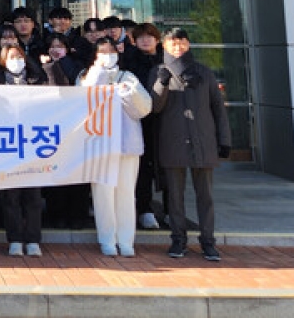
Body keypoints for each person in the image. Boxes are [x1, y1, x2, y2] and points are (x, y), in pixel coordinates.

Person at [150, 28, 231, 262]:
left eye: (182, 42)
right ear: (164, 46)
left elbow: (217, 108)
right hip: (172, 141)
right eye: (173, 43)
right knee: (174, 196)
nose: (178, 47)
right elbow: (154, 107)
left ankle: (208, 242)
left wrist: (224, 140)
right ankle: (178, 240)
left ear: (188, 44)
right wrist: (161, 84)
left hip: (202, 141)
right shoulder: (158, 71)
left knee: (205, 195)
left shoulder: (203, 72)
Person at [78, 37, 151, 257]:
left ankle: (126, 239)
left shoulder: (128, 77)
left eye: (111, 51)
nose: (107, 55)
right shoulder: (86, 76)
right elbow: (83, 101)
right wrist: (98, 73)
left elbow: (144, 108)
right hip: (99, 146)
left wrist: (128, 92)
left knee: (126, 193)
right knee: (103, 194)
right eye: (102, 52)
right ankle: (107, 239)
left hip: (127, 145)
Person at [0, 44, 47, 257]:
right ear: (3, 61)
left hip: (32, 144)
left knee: (33, 197)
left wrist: (48, 67)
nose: (16, 60)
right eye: (11, 57)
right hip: (6, 145)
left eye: (19, 56)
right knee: (11, 197)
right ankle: (14, 239)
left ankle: (33, 239)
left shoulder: (37, 80)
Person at [37, 33, 88, 230]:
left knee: (77, 173)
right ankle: (55, 215)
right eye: (52, 45)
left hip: (76, 127)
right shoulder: (39, 64)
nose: (56, 49)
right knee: (54, 174)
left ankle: (78, 216)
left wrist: (64, 60)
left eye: (60, 46)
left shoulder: (77, 65)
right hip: (50, 127)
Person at [131, 23, 166, 230]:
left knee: (168, 166)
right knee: (143, 166)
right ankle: (145, 209)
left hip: (165, 121)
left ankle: (172, 210)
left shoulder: (168, 61)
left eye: (149, 37)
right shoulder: (128, 63)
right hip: (140, 121)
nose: (146, 40)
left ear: (157, 39)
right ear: (134, 41)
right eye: (141, 37)